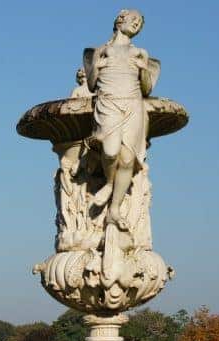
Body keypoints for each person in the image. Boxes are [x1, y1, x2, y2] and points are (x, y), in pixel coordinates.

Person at [84, 9, 159, 231]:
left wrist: (144, 70)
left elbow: (146, 88)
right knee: (110, 151)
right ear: (120, 20)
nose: (137, 24)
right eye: (133, 19)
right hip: (109, 102)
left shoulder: (141, 53)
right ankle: (109, 183)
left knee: (127, 158)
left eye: (140, 23)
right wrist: (95, 69)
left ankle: (114, 209)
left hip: (133, 104)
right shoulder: (101, 51)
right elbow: (90, 85)